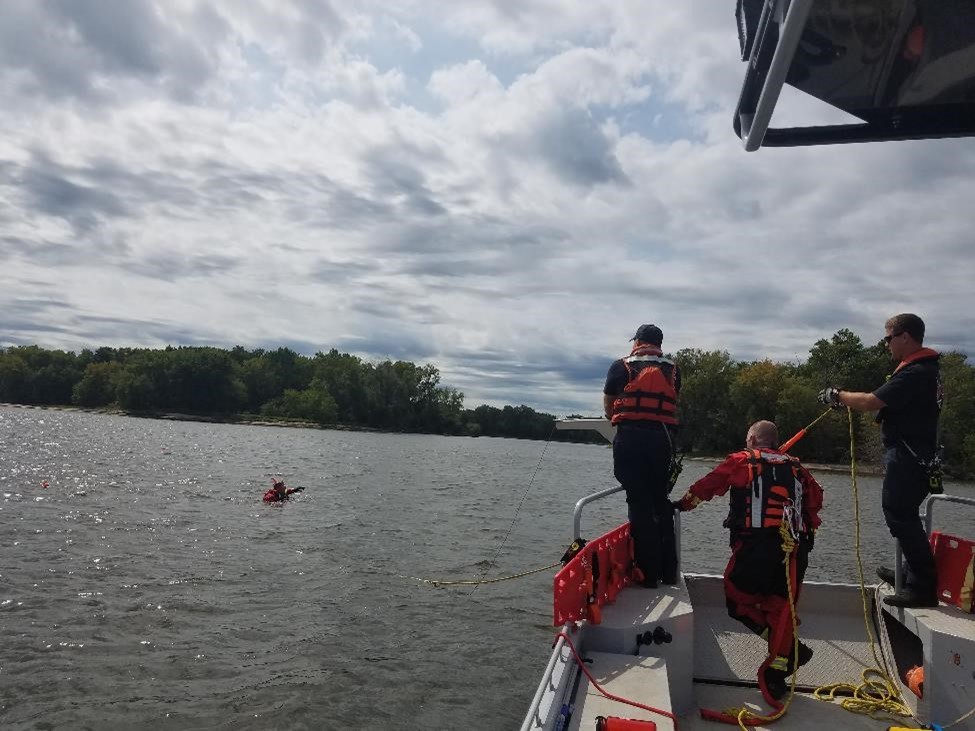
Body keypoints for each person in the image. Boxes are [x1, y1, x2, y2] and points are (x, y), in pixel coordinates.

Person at [673, 421, 822, 704]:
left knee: (736, 599)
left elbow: (708, 486)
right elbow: (815, 502)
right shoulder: (799, 469)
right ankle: (782, 665)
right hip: (794, 552)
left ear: (752, 439)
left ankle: (786, 654)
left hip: (757, 548)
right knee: (782, 609)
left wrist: (681, 504)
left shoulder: (741, 461)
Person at [817, 313, 941, 608]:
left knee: (899, 514)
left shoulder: (916, 373)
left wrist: (837, 395)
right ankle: (909, 574)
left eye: (888, 338)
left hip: (908, 457)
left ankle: (922, 587)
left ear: (905, 337)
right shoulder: (926, 370)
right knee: (905, 514)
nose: (886, 345)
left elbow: (871, 402)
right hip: (916, 456)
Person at [603, 323, 680, 587]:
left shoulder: (620, 366)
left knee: (638, 501)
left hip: (631, 438)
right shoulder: (673, 370)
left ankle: (647, 574)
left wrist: (617, 417)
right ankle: (668, 572)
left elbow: (608, 405)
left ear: (636, 341)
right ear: (660, 344)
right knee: (660, 500)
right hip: (663, 439)